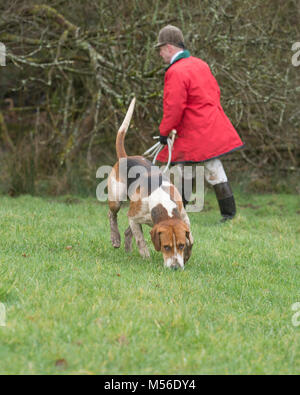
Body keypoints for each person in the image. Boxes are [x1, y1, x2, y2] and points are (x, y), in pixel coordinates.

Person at [154, 25, 244, 222]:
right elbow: (215, 93)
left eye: (160, 50)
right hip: (211, 124)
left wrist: (164, 131)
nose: (160, 55)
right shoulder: (200, 64)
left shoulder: (175, 71)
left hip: (194, 129)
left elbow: (174, 107)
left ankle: (180, 212)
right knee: (210, 167)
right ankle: (228, 215)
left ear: (169, 47)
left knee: (184, 167)